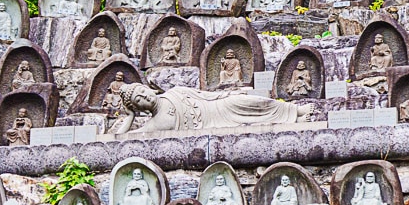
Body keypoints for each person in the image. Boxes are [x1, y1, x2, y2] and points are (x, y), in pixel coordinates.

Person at [113, 83, 311, 134]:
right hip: (211, 125)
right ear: (140, 108)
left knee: (251, 101)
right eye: (139, 99)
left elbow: (205, 96)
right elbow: (121, 139)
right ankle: (296, 121)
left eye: (142, 90)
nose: (145, 96)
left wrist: (229, 94)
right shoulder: (155, 124)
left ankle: (293, 110)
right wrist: (130, 117)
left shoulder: (174, 91)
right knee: (249, 123)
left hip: (216, 106)